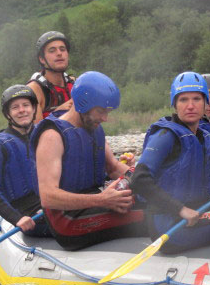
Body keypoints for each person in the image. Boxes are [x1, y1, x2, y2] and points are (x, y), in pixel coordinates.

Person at [31, 71, 146, 250]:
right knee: (151, 214)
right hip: (67, 222)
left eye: (107, 112)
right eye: (101, 111)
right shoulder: (51, 136)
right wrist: (102, 200)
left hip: (94, 202)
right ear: (83, 104)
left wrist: (147, 177)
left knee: (151, 197)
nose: (105, 118)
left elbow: (114, 168)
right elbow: (48, 197)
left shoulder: (94, 127)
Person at [131, 72, 210, 254]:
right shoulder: (165, 136)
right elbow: (139, 179)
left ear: (205, 103)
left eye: (196, 99)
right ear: (174, 104)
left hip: (194, 212)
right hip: (168, 223)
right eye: (183, 100)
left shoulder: (204, 135)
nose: (190, 106)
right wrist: (180, 209)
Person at [0, 85, 50, 236]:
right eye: (15, 107)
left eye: (26, 105)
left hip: (53, 205)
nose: (22, 110)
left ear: (34, 109)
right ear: (8, 114)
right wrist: (17, 218)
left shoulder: (47, 136)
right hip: (30, 215)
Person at [27, 31, 74, 122]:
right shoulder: (34, 89)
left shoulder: (75, 83)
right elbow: (35, 132)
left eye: (62, 49)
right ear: (42, 59)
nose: (59, 53)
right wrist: (57, 113)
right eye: (52, 51)